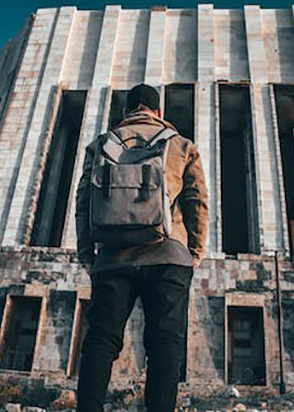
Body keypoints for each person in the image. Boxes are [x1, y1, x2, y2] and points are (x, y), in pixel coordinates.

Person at [74, 83, 209, 412]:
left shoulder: (102, 145)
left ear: (127, 111)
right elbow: (197, 201)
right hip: (168, 254)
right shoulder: (180, 145)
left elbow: (82, 201)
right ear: (158, 112)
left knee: (101, 340)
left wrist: (86, 253)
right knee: (165, 343)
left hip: (112, 257)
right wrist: (194, 252)